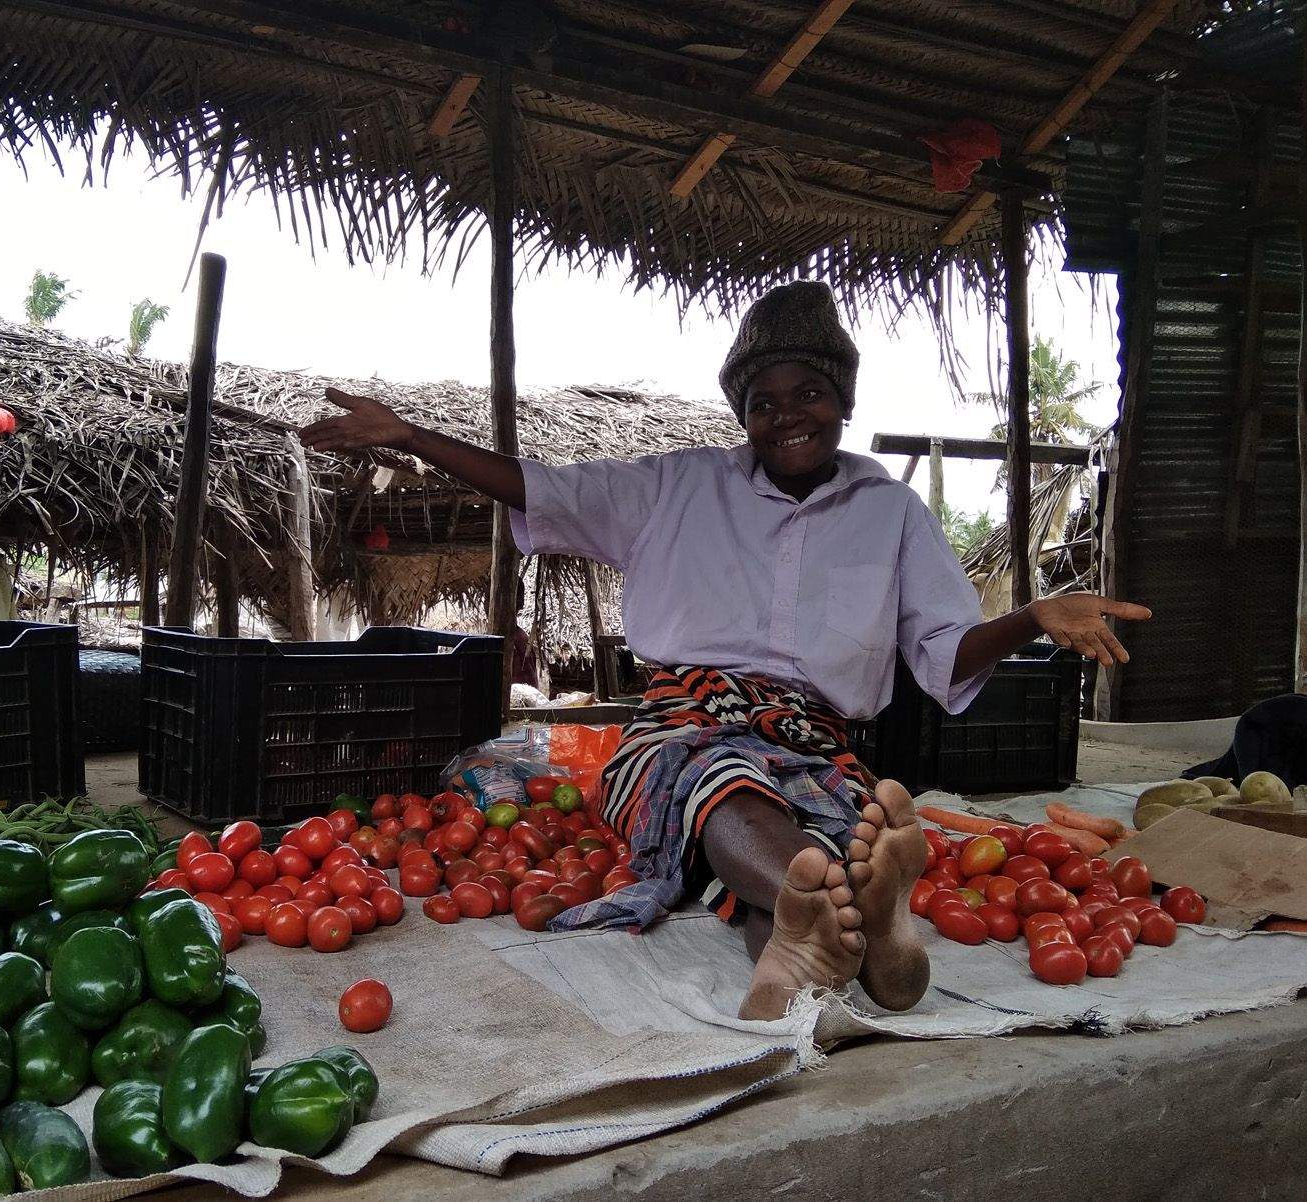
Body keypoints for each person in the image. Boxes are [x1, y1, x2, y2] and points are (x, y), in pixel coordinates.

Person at [302, 281, 1150, 1020]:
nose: (787, 417)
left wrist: (1033, 615)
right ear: (742, 415)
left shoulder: (891, 511)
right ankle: (876, 926)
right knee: (722, 792)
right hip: (680, 730)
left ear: (844, 400)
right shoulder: (673, 485)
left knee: (775, 874)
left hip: (819, 745)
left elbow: (943, 653)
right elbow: (540, 484)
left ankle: (829, 939)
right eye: (764, 403)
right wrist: (411, 436)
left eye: (808, 393)